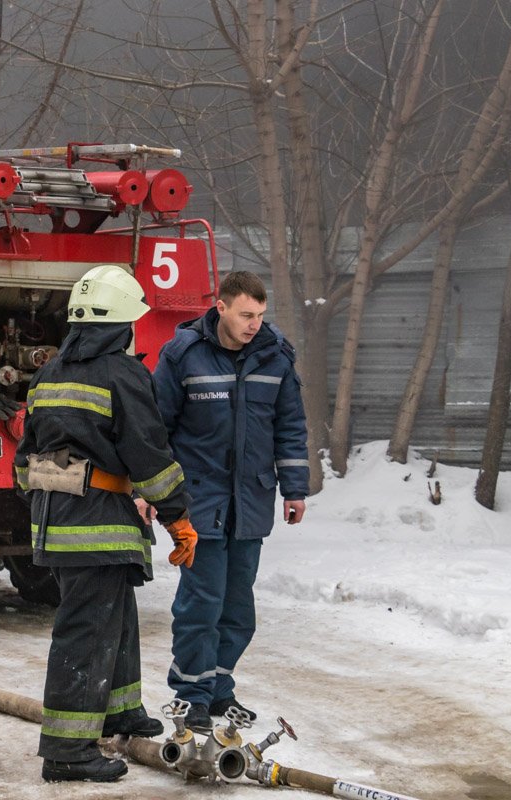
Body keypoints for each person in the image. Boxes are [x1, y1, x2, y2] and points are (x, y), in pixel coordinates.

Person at [12, 265, 198, 783]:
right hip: (96, 522)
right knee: (87, 631)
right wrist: (179, 517)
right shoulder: (123, 373)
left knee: (115, 617)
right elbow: (149, 456)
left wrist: (52, 498)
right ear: (121, 325)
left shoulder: (49, 372)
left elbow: (24, 460)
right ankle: (67, 752)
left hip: (59, 522)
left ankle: (120, 712)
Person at [151, 270, 309, 733]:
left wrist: (294, 489)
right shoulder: (183, 355)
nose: (253, 324)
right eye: (245, 315)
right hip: (199, 501)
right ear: (220, 307)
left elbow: (291, 427)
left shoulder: (276, 358)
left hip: (252, 502)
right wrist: (152, 492)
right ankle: (192, 693)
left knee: (238, 608)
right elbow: (157, 430)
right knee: (201, 602)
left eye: (260, 315)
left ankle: (219, 685)